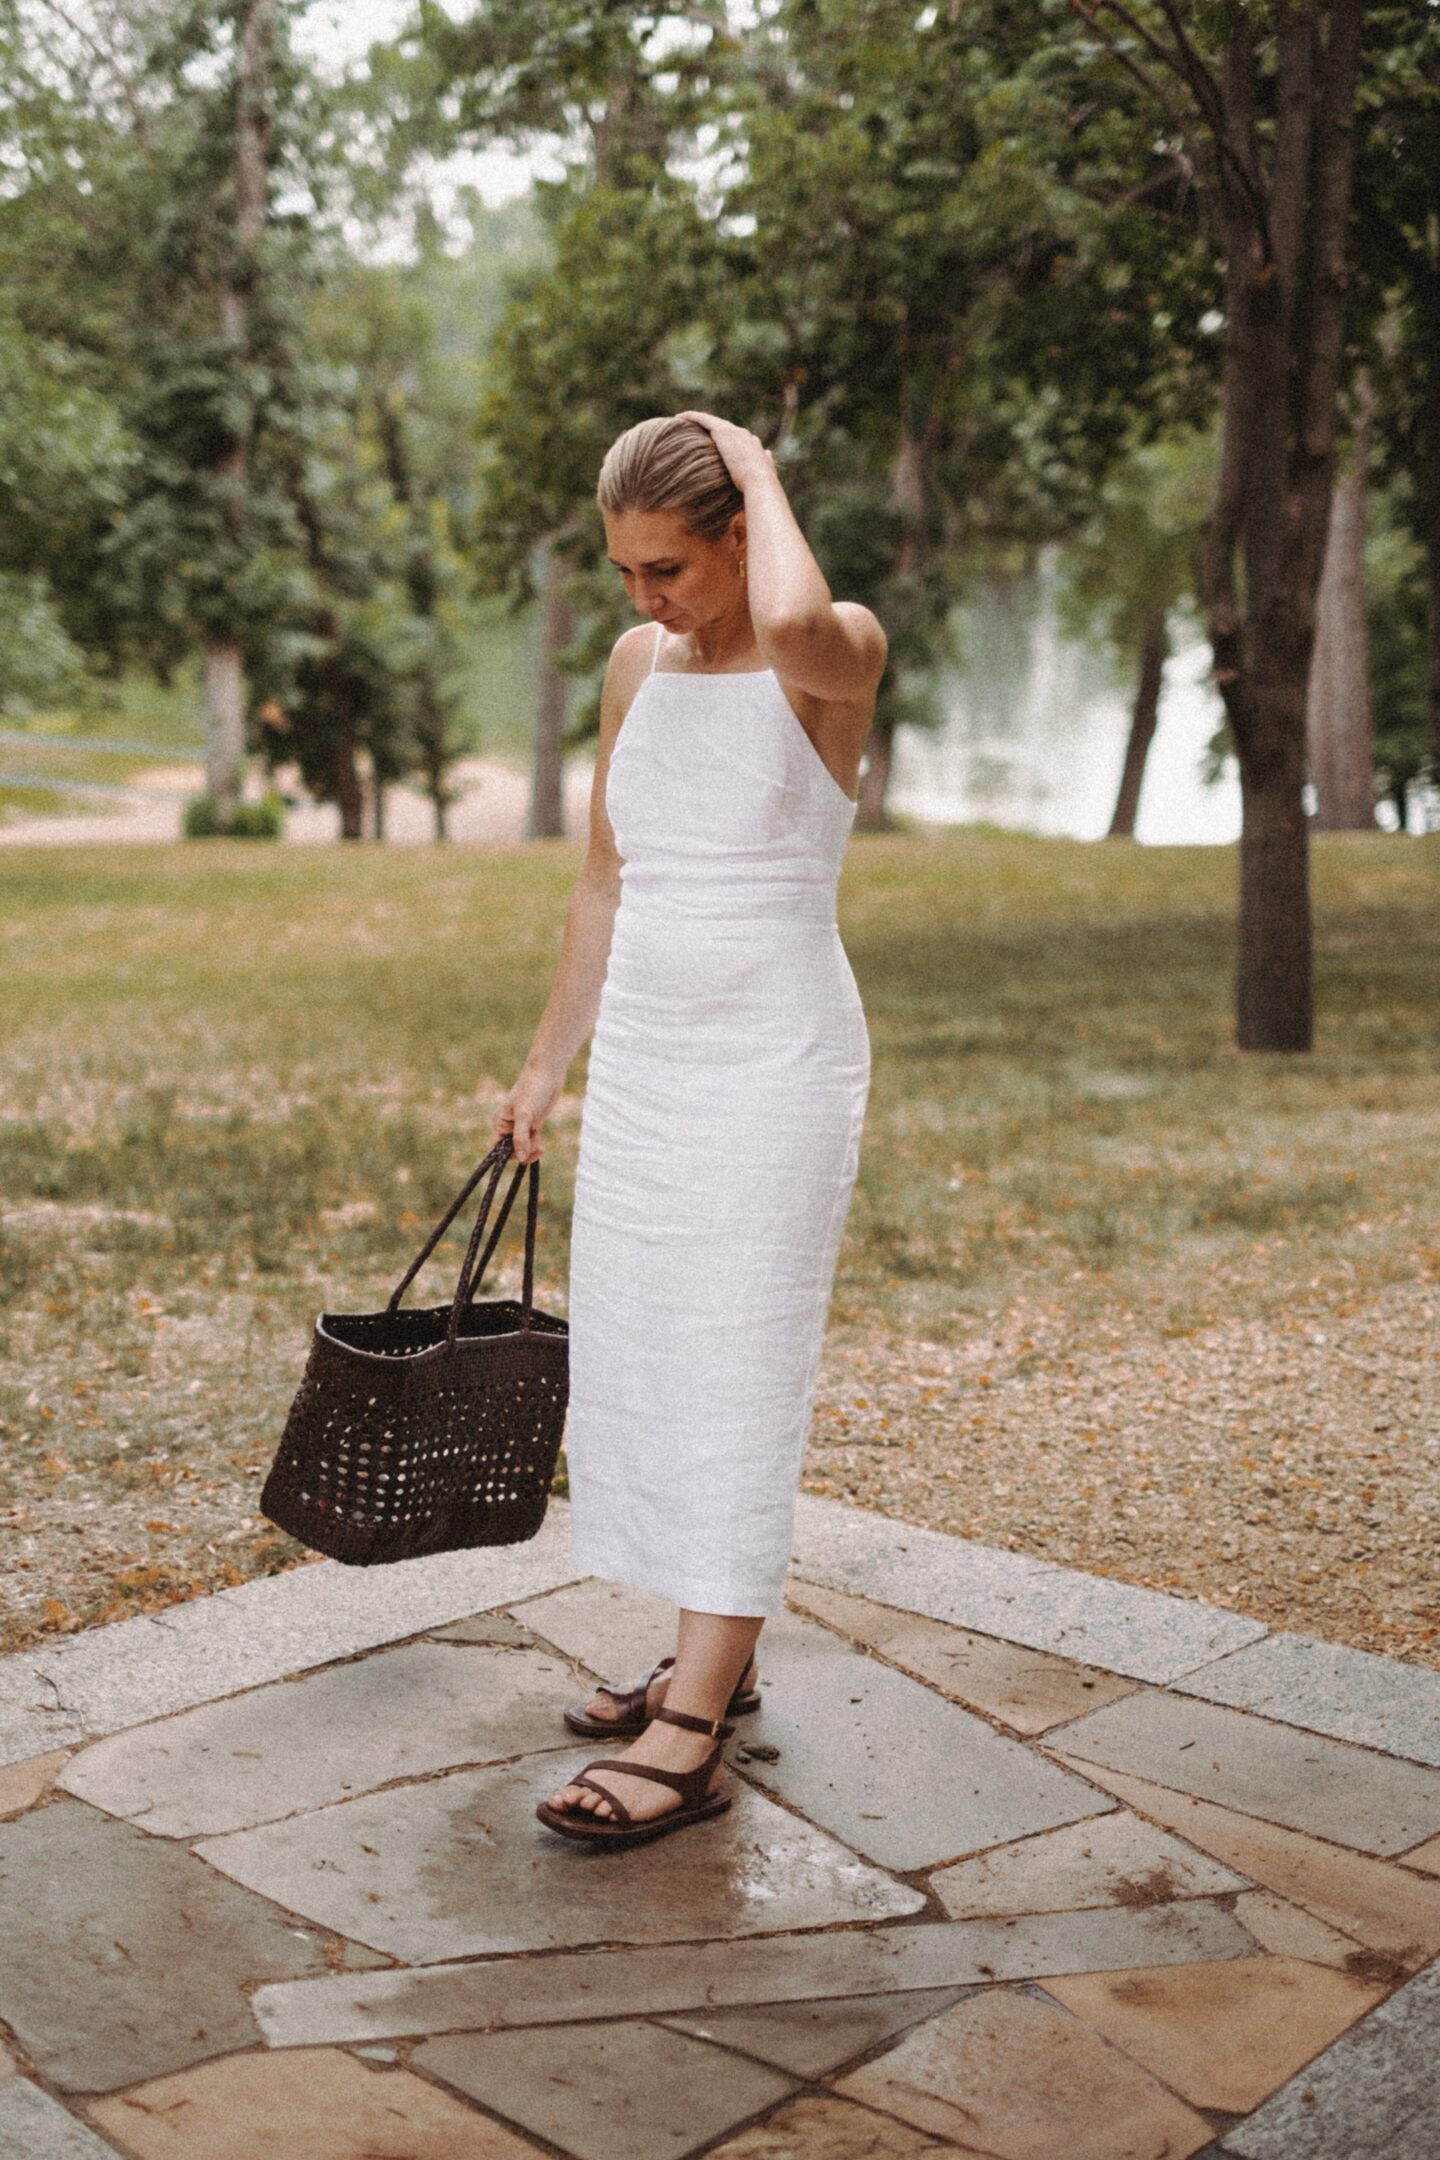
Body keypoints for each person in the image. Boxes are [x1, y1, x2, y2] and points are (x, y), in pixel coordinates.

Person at [492, 410, 885, 1850]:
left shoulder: (831, 649)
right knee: (652, 1349)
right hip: (653, 1061)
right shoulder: (635, 666)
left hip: (775, 1057)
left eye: (670, 565)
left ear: (740, 535)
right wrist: (548, 1068)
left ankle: (696, 1730)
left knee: (738, 1356)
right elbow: (606, 880)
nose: (645, 597)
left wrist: (768, 468)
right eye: (624, 571)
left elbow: (786, 615)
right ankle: (718, 1649)